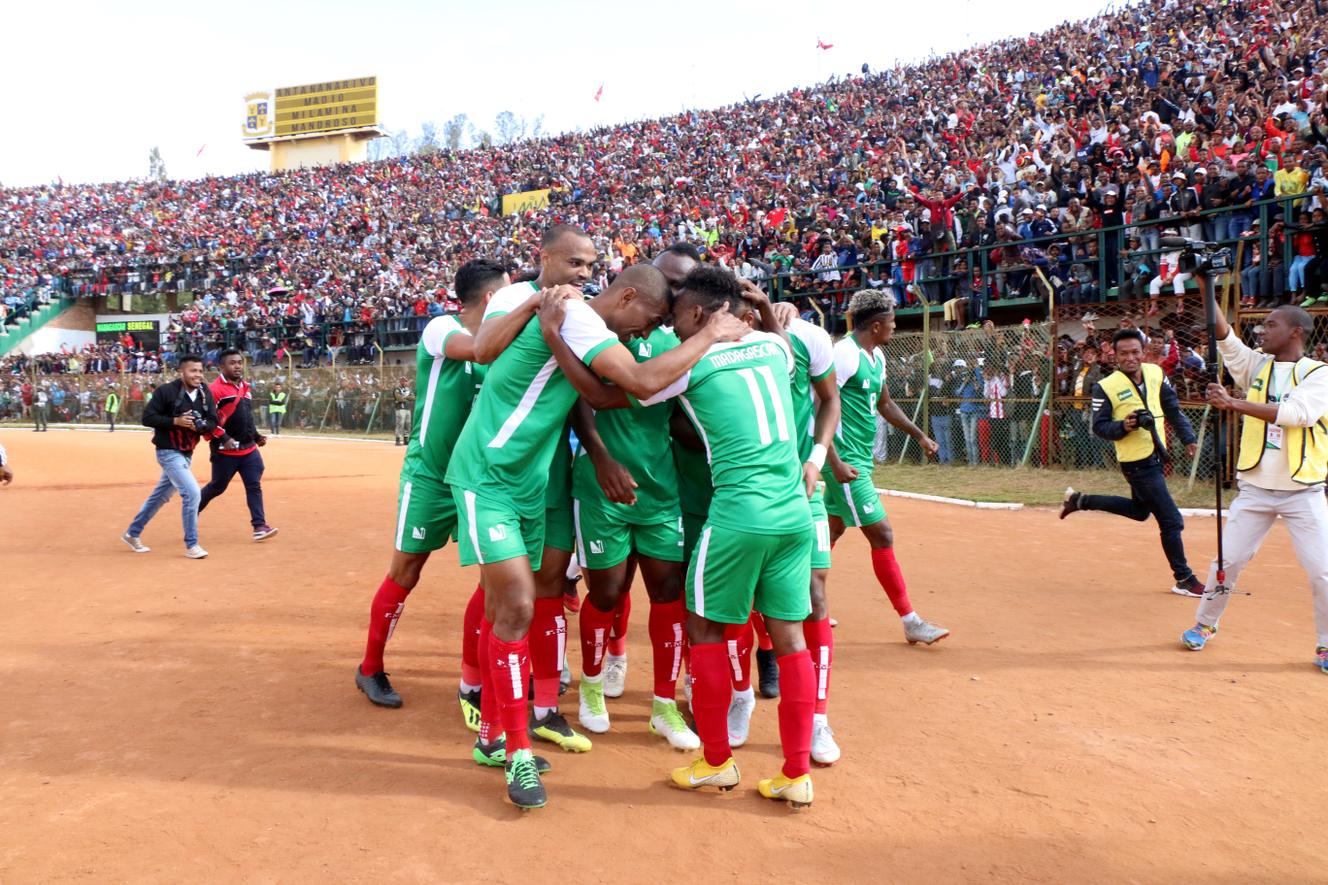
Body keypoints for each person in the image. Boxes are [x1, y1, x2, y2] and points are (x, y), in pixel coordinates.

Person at [443, 226, 747, 809]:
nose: (651, 334)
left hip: (527, 483)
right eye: (653, 321)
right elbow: (637, 381)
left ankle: (491, 735)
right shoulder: (580, 316)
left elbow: (609, 398)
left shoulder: (580, 325)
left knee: (505, 606)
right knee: (516, 608)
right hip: (486, 475)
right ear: (629, 299)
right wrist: (710, 332)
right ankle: (517, 754)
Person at [1181, 306, 1328, 672]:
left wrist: (1233, 403)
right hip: (1256, 488)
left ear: (1296, 332)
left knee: (1323, 571)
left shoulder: (1319, 375)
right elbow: (1225, 338)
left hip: (1303, 491)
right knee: (1227, 561)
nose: (1261, 331)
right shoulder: (1257, 365)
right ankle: (1205, 623)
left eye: (1270, 325)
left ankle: (1326, 645)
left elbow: (1297, 415)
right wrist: (1205, 281)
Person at [824, 290, 949, 645]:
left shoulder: (875, 356)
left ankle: (798, 603)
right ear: (876, 325)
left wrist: (920, 435)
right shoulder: (843, 355)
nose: (895, 326)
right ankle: (910, 620)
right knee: (882, 534)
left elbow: (885, 403)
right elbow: (817, 407)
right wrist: (832, 460)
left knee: (830, 533)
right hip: (847, 463)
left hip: (860, 459)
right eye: (892, 322)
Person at [1061, 328, 1204, 596]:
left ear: (1144, 352)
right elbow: (1100, 427)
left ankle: (1080, 500)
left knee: (1140, 512)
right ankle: (1184, 578)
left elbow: (1172, 408)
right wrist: (1124, 426)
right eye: (1123, 353)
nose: (1130, 358)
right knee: (1171, 521)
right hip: (1136, 463)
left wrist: (1188, 438)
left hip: (1156, 455)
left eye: (1135, 352)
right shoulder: (1105, 386)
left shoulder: (1156, 373)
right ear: (1114, 355)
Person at [122, 355, 232, 559]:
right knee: (192, 493)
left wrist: (202, 426)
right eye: (193, 371)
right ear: (181, 372)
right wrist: (176, 421)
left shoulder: (204, 392)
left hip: (187, 453)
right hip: (168, 452)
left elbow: (212, 420)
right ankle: (192, 545)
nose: (198, 375)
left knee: (160, 496)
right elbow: (148, 418)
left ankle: (132, 533)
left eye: (200, 371)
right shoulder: (166, 391)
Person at [197, 349, 278, 541]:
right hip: (225, 451)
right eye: (232, 363)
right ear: (221, 367)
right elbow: (207, 421)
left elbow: (246, 416)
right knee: (217, 486)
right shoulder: (214, 390)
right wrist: (224, 438)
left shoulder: (245, 387)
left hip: (248, 448)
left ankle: (259, 526)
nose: (237, 366)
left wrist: (256, 435)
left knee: (254, 485)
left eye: (240, 362)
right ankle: (191, 511)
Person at [392, 378, 413, 446]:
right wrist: (407, 397)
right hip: (400, 408)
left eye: (405, 381)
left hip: (407, 408)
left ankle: (406, 439)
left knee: (408, 424)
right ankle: (398, 439)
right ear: (400, 382)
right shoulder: (397, 389)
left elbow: (413, 397)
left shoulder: (408, 389)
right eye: (403, 381)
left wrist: (404, 397)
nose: (405, 382)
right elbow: (398, 398)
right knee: (400, 423)